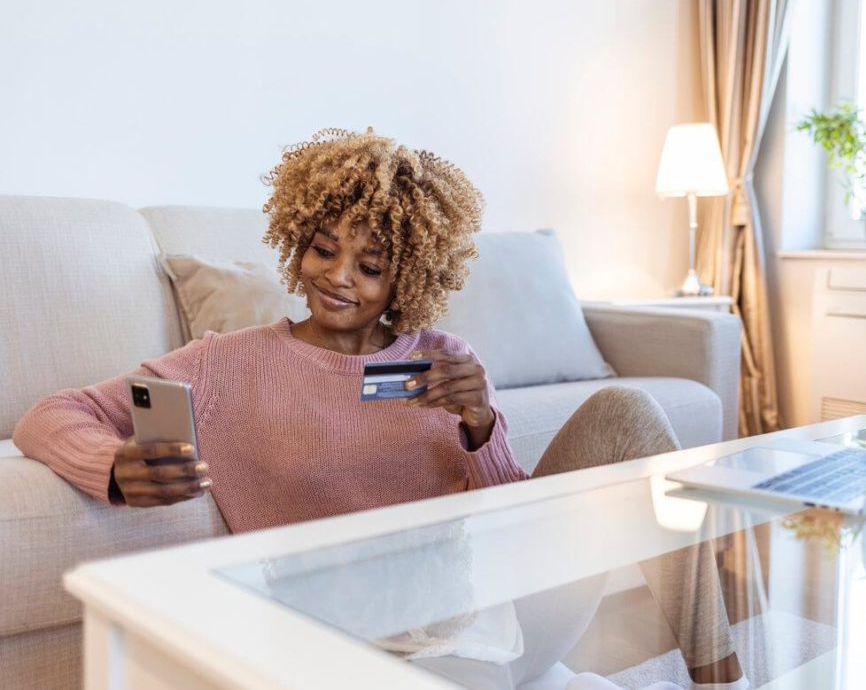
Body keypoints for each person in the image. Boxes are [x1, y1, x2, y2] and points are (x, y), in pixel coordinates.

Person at [14, 128, 746, 689]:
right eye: (323, 250)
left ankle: (723, 675)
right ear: (297, 241)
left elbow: (518, 521)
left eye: (370, 267)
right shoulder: (224, 364)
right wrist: (112, 466)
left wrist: (480, 426)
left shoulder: (444, 358)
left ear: (409, 275)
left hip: (481, 623)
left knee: (627, 411)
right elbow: (52, 414)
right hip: (346, 646)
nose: (336, 280)